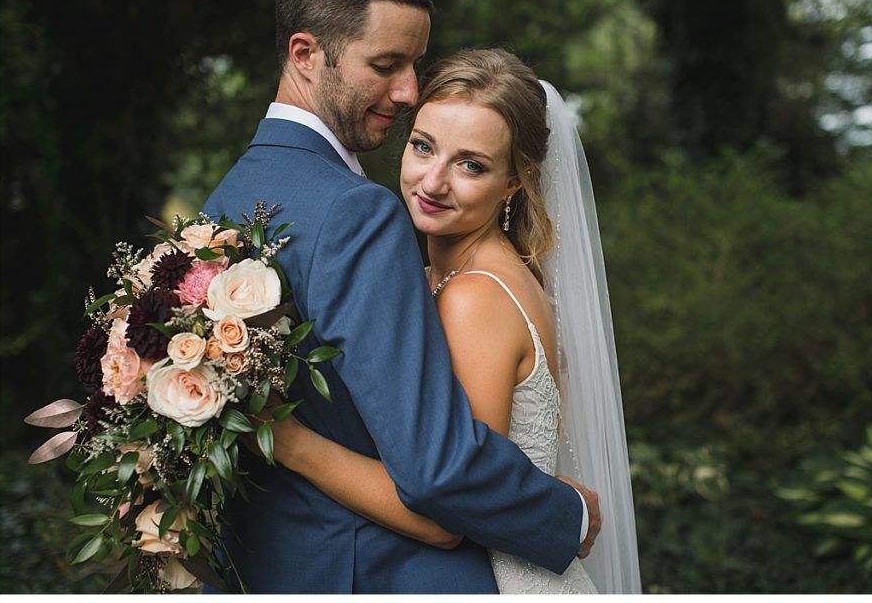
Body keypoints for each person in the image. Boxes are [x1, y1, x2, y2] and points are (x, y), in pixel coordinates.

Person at [201, 0, 600, 594]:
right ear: (305, 54)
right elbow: (438, 474)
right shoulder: (357, 211)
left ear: (511, 184)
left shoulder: (225, 200)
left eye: (414, 65)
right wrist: (570, 512)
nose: (410, 90)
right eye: (386, 64)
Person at [259, 48, 643, 594]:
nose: (432, 181)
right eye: (423, 147)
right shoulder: (432, 277)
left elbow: (448, 511)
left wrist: (289, 441)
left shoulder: (475, 297)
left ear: (513, 183)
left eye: (471, 165)